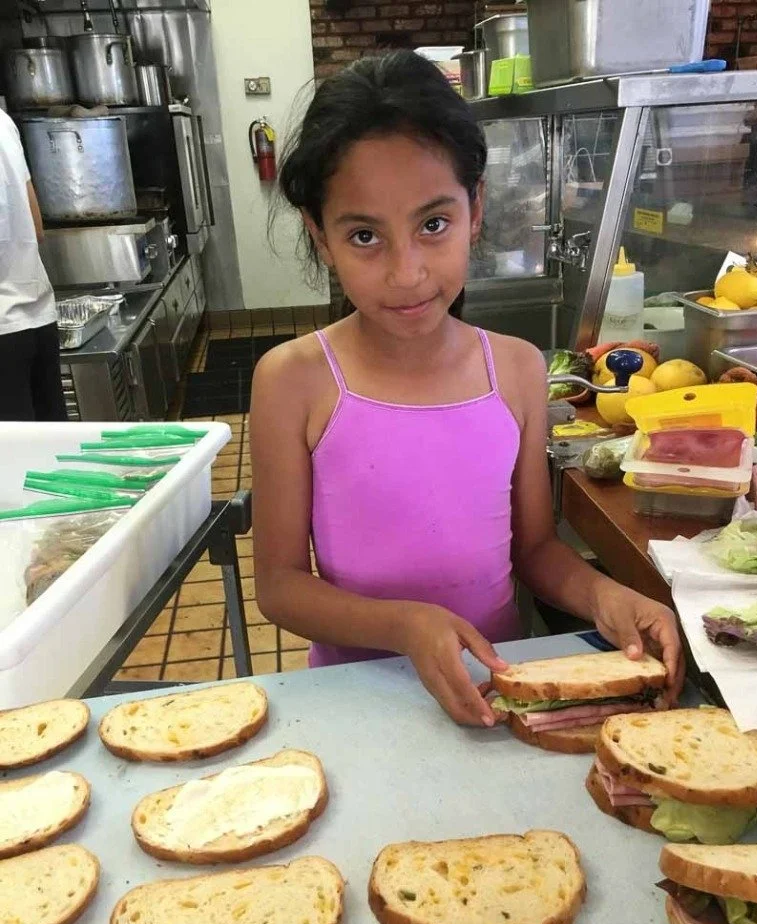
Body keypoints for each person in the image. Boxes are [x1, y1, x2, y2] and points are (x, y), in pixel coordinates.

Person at [250, 51, 684, 727]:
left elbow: (534, 550)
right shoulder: (294, 380)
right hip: (354, 702)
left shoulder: (513, 369)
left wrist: (607, 597)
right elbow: (279, 588)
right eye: (364, 235)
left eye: (432, 224)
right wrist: (405, 626)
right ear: (321, 237)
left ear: (474, 208)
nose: (407, 272)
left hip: (501, 690)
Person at [0, 106, 66, 420]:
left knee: (12, 463)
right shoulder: (3, 122)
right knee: (53, 450)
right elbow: (36, 227)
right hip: (37, 316)